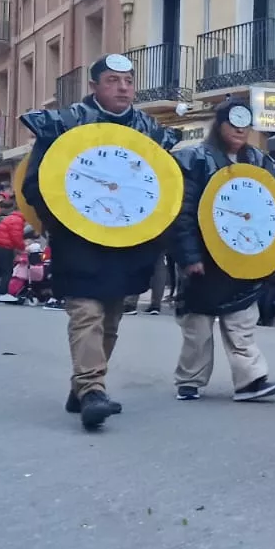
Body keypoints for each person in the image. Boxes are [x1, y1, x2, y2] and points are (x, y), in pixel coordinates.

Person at [20, 54, 180, 431]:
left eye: (128, 81)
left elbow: (164, 186)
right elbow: (35, 183)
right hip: (78, 239)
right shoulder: (64, 125)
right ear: (94, 86)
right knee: (86, 311)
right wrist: (63, 219)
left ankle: (83, 387)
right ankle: (93, 390)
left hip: (129, 239)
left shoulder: (150, 133)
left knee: (111, 316)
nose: (123, 87)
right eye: (112, 80)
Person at [168, 100, 275, 403]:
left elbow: (270, 211)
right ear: (219, 126)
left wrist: (271, 257)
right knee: (198, 328)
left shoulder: (260, 161)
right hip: (205, 261)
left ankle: (250, 381)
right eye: (233, 125)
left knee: (243, 322)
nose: (240, 131)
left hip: (243, 256)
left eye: (245, 125)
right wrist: (189, 257)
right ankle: (190, 379)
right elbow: (184, 214)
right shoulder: (196, 160)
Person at [0, 196, 27, 303]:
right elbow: (16, 236)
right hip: (5, 248)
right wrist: (22, 247)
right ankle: (2, 293)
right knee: (7, 271)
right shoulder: (17, 220)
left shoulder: (9, 218)